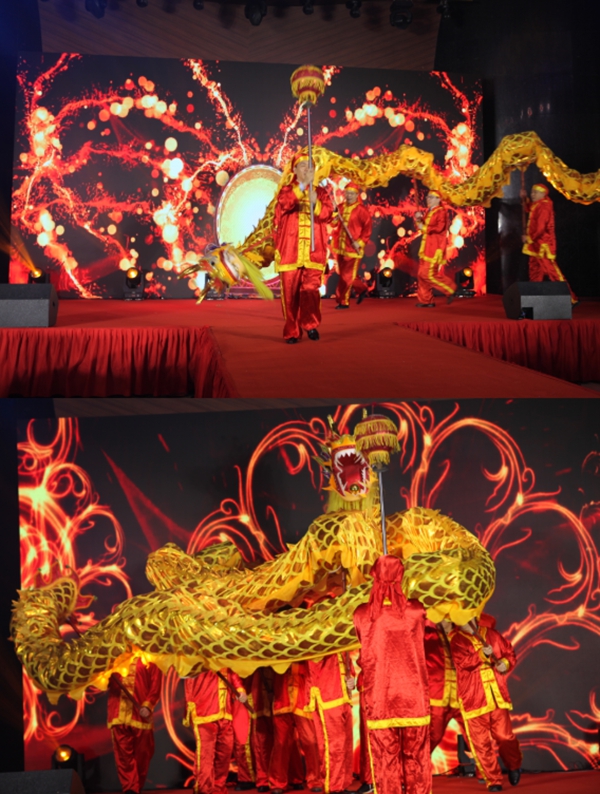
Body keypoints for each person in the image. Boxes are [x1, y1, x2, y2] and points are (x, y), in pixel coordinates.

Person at [353, 555, 431, 794]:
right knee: (417, 758)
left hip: (380, 697)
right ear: (401, 575)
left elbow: (364, 652)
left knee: (385, 760)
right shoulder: (416, 610)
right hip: (413, 695)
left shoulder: (362, 614)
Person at [450, 616, 522, 792]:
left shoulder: (492, 635)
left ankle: (513, 764)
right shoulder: (457, 640)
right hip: (473, 700)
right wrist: (482, 654)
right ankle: (493, 780)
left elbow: (509, 653)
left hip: (496, 697)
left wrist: (505, 664)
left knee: (505, 737)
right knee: (481, 744)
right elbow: (464, 663)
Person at [274, 151, 334, 343]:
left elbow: (328, 215)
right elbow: (286, 203)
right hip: (290, 250)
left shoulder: (321, 193)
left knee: (310, 291)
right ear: (295, 169)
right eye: (303, 166)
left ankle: (310, 324)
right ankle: (292, 330)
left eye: (310, 167)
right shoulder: (286, 189)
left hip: (314, 251)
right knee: (290, 294)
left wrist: (316, 202)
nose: (307, 169)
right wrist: (301, 187)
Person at [183, 668, 248, 794]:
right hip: (204, 711)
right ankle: (204, 789)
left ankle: (218, 788)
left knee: (224, 753)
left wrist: (240, 689)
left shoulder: (225, 657)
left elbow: (232, 671)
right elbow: (186, 673)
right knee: (206, 755)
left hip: (225, 712)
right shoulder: (198, 658)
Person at [107, 657, 162, 794]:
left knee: (143, 755)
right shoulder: (114, 657)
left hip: (140, 714)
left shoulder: (150, 658)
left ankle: (136, 786)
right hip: (118, 712)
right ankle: (130, 789)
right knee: (123, 756)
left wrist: (148, 705)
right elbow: (105, 683)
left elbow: (155, 684)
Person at [268, 661, 323, 794]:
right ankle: (278, 782)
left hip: (303, 698)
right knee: (281, 743)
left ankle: (315, 780)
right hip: (282, 698)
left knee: (310, 741)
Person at [521, 183, 577, 303]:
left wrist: (528, 238)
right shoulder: (538, 204)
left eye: (535, 192)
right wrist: (524, 198)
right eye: (532, 192)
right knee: (535, 272)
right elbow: (528, 208)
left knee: (553, 272)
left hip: (543, 246)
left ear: (543, 194)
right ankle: (534, 299)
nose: (532, 195)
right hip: (535, 245)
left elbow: (540, 228)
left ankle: (570, 297)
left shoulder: (545, 206)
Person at [308, 653, 356, 794]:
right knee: (334, 745)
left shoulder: (342, 644)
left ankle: (342, 784)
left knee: (346, 744)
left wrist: (351, 679)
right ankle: (334, 787)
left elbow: (347, 664)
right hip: (327, 695)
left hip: (344, 697)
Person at [424, 619, 466, 752]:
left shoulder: (463, 636)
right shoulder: (427, 635)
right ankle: (414, 765)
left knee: (477, 738)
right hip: (437, 696)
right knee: (432, 737)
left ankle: (487, 768)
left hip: (463, 696)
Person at [331, 182, 372, 309]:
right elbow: (333, 223)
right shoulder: (340, 207)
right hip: (340, 247)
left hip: (353, 249)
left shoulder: (362, 210)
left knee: (346, 276)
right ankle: (361, 288)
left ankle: (344, 301)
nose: (349, 196)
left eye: (352, 194)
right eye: (347, 193)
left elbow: (367, 230)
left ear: (356, 195)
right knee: (344, 274)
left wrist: (359, 242)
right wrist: (334, 214)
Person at [414, 191, 456, 307]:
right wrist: (419, 219)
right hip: (426, 246)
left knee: (428, 274)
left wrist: (423, 226)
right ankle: (426, 300)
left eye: (431, 197)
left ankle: (450, 288)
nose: (428, 199)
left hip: (434, 247)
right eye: (428, 197)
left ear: (438, 199)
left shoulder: (441, 211)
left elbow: (439, 228)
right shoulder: (430, 211)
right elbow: (422, 228)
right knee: (421, 275)